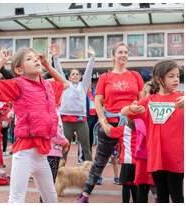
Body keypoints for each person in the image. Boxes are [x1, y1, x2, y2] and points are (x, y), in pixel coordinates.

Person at [0, 48, 69, 203]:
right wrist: (1, 62)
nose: (35, 60)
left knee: (51, 198)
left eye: (36, 57)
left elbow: (65, 83)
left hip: (42, 153)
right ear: (19, 69)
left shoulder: (47, 85)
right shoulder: (18, 85)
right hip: (25, 152)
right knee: (16, 199)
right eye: (29, 59)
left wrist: (47, 64)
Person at [75, 42, 144, 203]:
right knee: (100, 161)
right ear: (113, 56)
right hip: (110, 123)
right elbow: (98, 102)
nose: (123, 55)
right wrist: (103, 122)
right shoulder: (105, 77)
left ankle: (144, 193)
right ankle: (85, 194)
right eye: (120, 52)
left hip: (132, 125)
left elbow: (142, 100)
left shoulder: (135, 76)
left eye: (126, 52)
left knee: (135, 160)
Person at [122, 60, 184, 203]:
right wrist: (131, 109)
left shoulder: (182, 99)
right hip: (156, 157)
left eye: (177, 76)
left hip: (177, 157)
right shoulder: (149, 100)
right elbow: (124, 111)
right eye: (171, 76)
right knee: (161, 196)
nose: (176, 79)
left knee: (178, 196)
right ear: (159, 78)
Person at [51, 44, 95, 164]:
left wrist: (92, 58)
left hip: (81, 120)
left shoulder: (83, 85)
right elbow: (59, 71)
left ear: (80, 77)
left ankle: (90, 173)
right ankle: (60, 171)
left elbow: (88, 72)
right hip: (66, 120)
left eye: (77, 74)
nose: (75, 75)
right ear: (69, 77)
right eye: (73, 74)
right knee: (65, 148)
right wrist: (55, 58)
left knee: (86, 148)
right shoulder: (65, 84)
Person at [101, 118, 137, 203]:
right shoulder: (142, 128)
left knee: (126, 186)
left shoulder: (123, 129)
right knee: (135, 186)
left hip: (126, 161)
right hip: (138, 162)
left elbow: (109, 132)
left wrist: (103, 121)